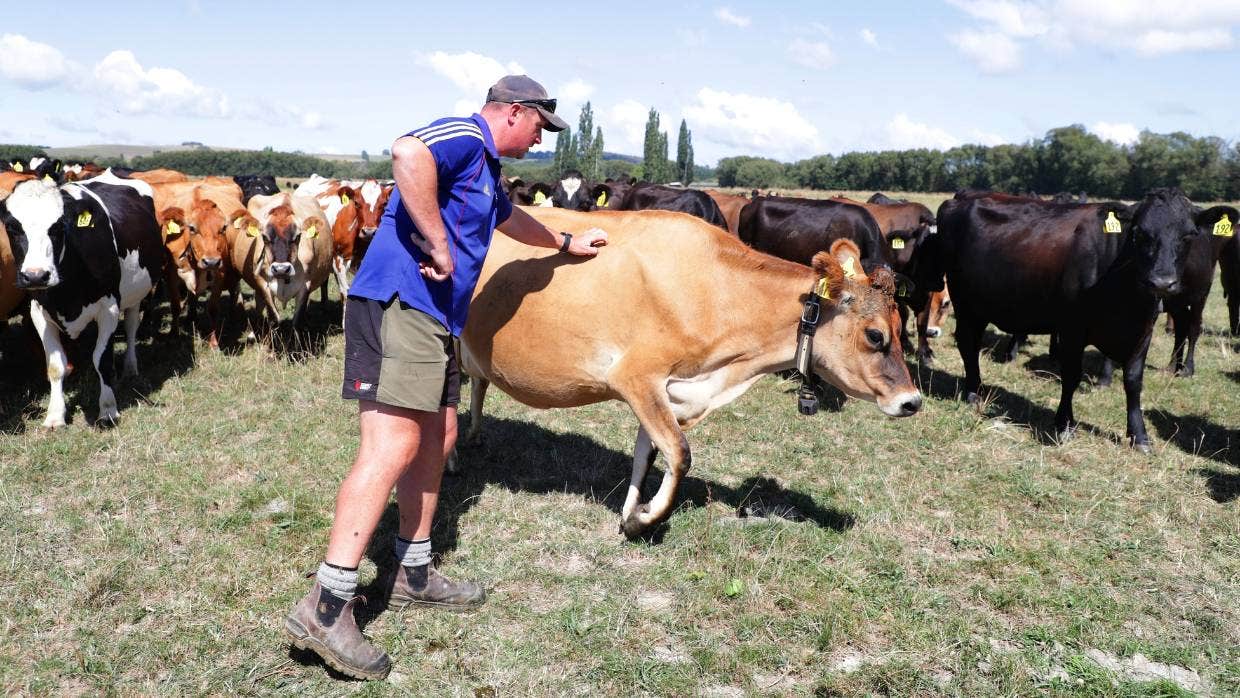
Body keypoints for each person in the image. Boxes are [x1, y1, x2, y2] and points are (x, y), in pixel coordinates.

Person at [284, 74, 609, 680]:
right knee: (393, 445)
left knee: (439, 438)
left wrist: (565, 241)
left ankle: (414, 573)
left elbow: (511, 221)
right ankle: (326, 607)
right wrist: (436, 242)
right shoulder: (463, 134)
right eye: (540, 125)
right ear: (514, 111)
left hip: (436, 318)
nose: (542, 140)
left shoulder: (486, 169)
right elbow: (407, 153)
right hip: (400, 304)